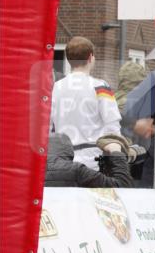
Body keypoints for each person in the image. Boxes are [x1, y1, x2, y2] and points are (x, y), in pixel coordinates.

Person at [51, 36, 122, 171]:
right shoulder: (101, 86)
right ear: (90, 57)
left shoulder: (55, 88)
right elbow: (113, 125)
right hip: (93, 162)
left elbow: (48, 127)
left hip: (62, 161)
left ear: (68, 59)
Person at [45, 133, 133, 188]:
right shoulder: (76, 170)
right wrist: (116, 151)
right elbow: (121, 186)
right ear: (69, 150)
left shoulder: (31, 171)